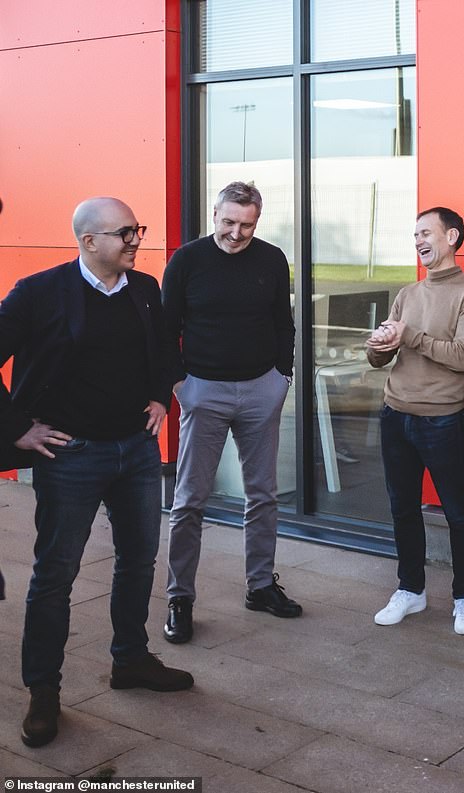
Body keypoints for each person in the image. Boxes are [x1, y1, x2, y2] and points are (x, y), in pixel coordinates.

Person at [0, 197, 194, 749]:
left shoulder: (145, 289)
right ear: (88, 242)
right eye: (125, 233)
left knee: (137, 561)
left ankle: (130, 660)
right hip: (71, 456)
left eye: (137, 230)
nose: (136, 239)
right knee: (55, 575)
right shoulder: (39, 292)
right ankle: (43, 691)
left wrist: (160, 397)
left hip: (135, 452)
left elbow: (162, 350)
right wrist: (17, 428)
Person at [162, 181, 300, 644]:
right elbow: (165, 329)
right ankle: (179, 598)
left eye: (246, 225)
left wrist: (283, 376)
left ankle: (261, 586)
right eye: (228, 222)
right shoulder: (187, 260)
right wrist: (181, 385)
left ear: (257, 221)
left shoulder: (272, 259)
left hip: (262, 388)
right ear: (214, 214)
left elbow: (284, 321)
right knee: (189, 501)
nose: (236, 233)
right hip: (204, 390)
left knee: (263, 495)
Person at [367, 207, 464, 634]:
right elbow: (380, 357)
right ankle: (411, 590)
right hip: (395, 414)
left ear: (451, 236)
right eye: (414, 234)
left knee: (457, 512)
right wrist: (379, 345)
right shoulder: (408, 293)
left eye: (425, 232)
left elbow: (461, 357)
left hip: (441, 421)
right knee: (402, 508)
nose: (418, 240)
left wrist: (409, 337)